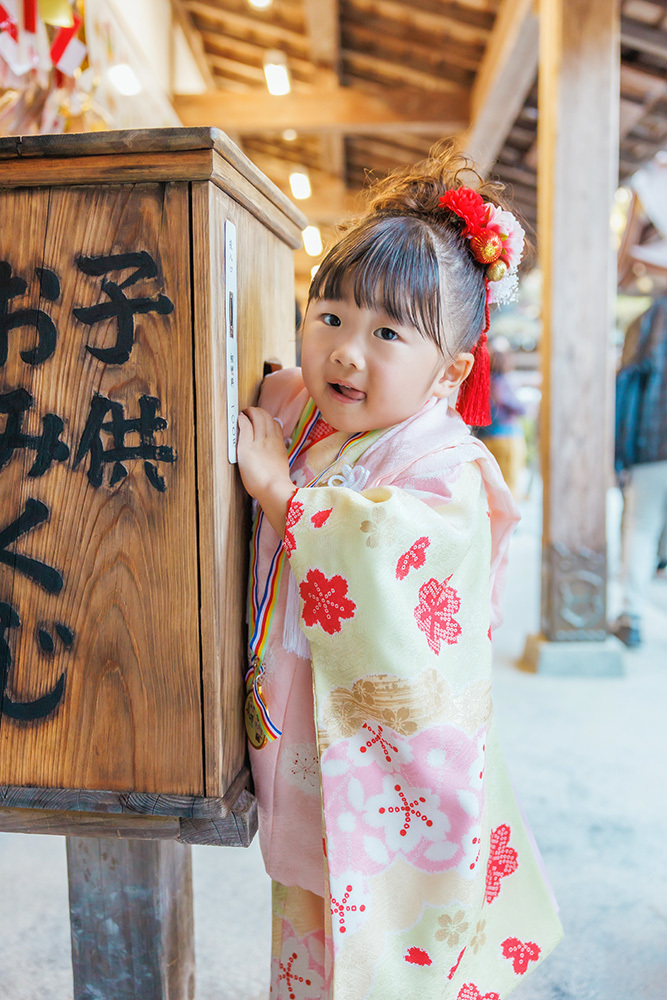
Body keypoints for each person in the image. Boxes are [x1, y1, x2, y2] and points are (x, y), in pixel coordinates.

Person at [236, 146, 563, 1000]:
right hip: (311, 751)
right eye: (331, 316)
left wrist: (279, 490)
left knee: (391, 955)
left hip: (385, 777)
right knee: (308, 940)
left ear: (450, 371)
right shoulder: (307, 410)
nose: (347, 352)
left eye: (387, 333)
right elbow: (267, 391)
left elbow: (387, 556)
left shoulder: (445, 469)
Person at [612, 296, 667, 647]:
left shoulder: (649, 321)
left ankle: (631, 617)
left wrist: (620, 456)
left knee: (641, 526)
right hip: (653, 447)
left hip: (653, 445)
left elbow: (626, 390)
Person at [477, 345, 527, 500]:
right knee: (508, 487)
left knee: (489, 489)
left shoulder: (482, 382)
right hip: (506, 437)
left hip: (485, 438)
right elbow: (514, 405)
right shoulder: (502, 382)